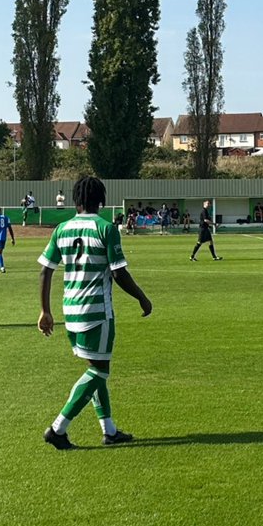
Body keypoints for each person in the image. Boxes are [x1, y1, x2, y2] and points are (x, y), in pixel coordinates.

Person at [38, 175, 152, 451]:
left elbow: (46, 269)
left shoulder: (61, 229)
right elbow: (119, 272)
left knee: (96, 367)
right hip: (97, 311)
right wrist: (142, 298)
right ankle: (58, 428)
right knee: (99, 371)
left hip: (70, 310)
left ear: (76, 200)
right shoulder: (106, 228)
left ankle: (109, 430)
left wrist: (45, 311)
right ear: (101, 200)